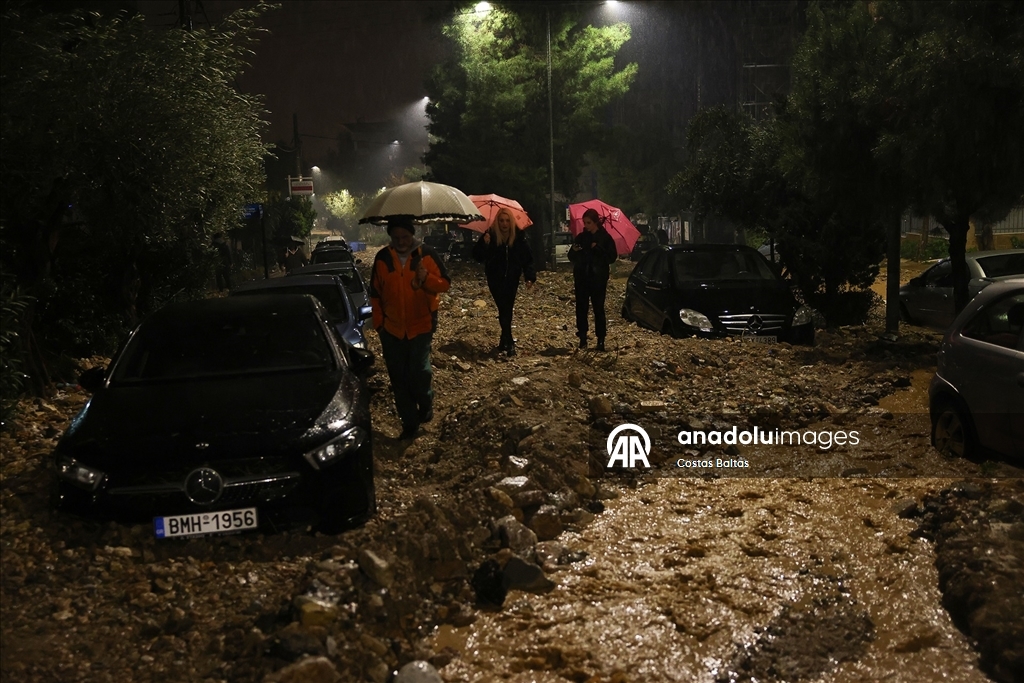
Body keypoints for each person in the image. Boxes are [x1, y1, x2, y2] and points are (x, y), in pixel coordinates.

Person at [369, 217, 451, 440]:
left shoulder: (427, 254)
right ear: (390, 237)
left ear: (412, 235)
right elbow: (375, 293)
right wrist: (380, 326)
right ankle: (409, 423)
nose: (401, 241)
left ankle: (425, 402)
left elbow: (445, 283)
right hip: (391, 329)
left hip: (421, 325)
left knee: (420, 371)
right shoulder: (383, 258)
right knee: (398, 378)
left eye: (405, 237)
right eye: (396, 237)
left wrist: (427, 278)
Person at [472, 208, 536, 356]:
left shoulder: (519, 238)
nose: (504, 224)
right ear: (497, 222)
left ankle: (505, 339)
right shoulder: (490, 235)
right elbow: (478, 257)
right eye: (501, 220)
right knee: (503, 308)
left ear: (511, 222)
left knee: (507, 308)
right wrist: (484, 244)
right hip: (495, 278)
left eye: (507, 220)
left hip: (512, 278)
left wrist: (529, 277)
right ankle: (509, 340)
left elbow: (527, 259)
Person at [569, 208, 618, 351]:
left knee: (598, 308)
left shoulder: (605, 238)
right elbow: (571, 257)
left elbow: (611, 257)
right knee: (581, 308)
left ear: (595, 222)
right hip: (582, 277)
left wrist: (599, 249)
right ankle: (582, 337)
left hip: (598, 278)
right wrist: (575, 251)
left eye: (589, 223)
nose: (586, 226)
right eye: (585, 223)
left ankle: (601, 339)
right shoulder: (581, 237)